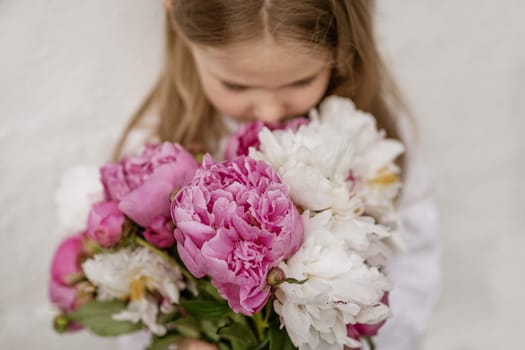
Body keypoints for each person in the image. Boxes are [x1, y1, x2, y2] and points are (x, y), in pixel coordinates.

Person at [115, 1, 441, 349]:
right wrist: (180, 343)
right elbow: (129, 309)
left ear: (341, 51)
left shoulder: (373, 144)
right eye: (236, 86)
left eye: (302, 80)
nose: (269, 110)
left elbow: (415, 266)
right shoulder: (156, 156)